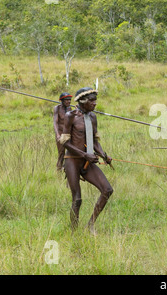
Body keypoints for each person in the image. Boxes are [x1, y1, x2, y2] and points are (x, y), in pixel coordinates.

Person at [59, 87, 113, 234]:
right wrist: (84, 154)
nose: (95, 103)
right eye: (91, 100)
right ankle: (74, 233)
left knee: (107, 190)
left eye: (95, 100)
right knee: (77, 199)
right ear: (82, 101)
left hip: (88, 162)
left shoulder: (93, 117)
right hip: (72, 161)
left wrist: (103, 154)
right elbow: (64, 142)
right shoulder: (71, 116)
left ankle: (90, 225)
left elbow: (95, 141)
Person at [53, 92, 72, 172]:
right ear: (62, 101)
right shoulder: (57, 108)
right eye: (67, 100)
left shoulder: (70, 109)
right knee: (61, 153)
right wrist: (57, 135)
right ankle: (59, 170)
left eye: (69, 100)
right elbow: (55, 122)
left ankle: (67, 168)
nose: (69, 102)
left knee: (71, 152)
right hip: (60, 134)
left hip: (68, 134)